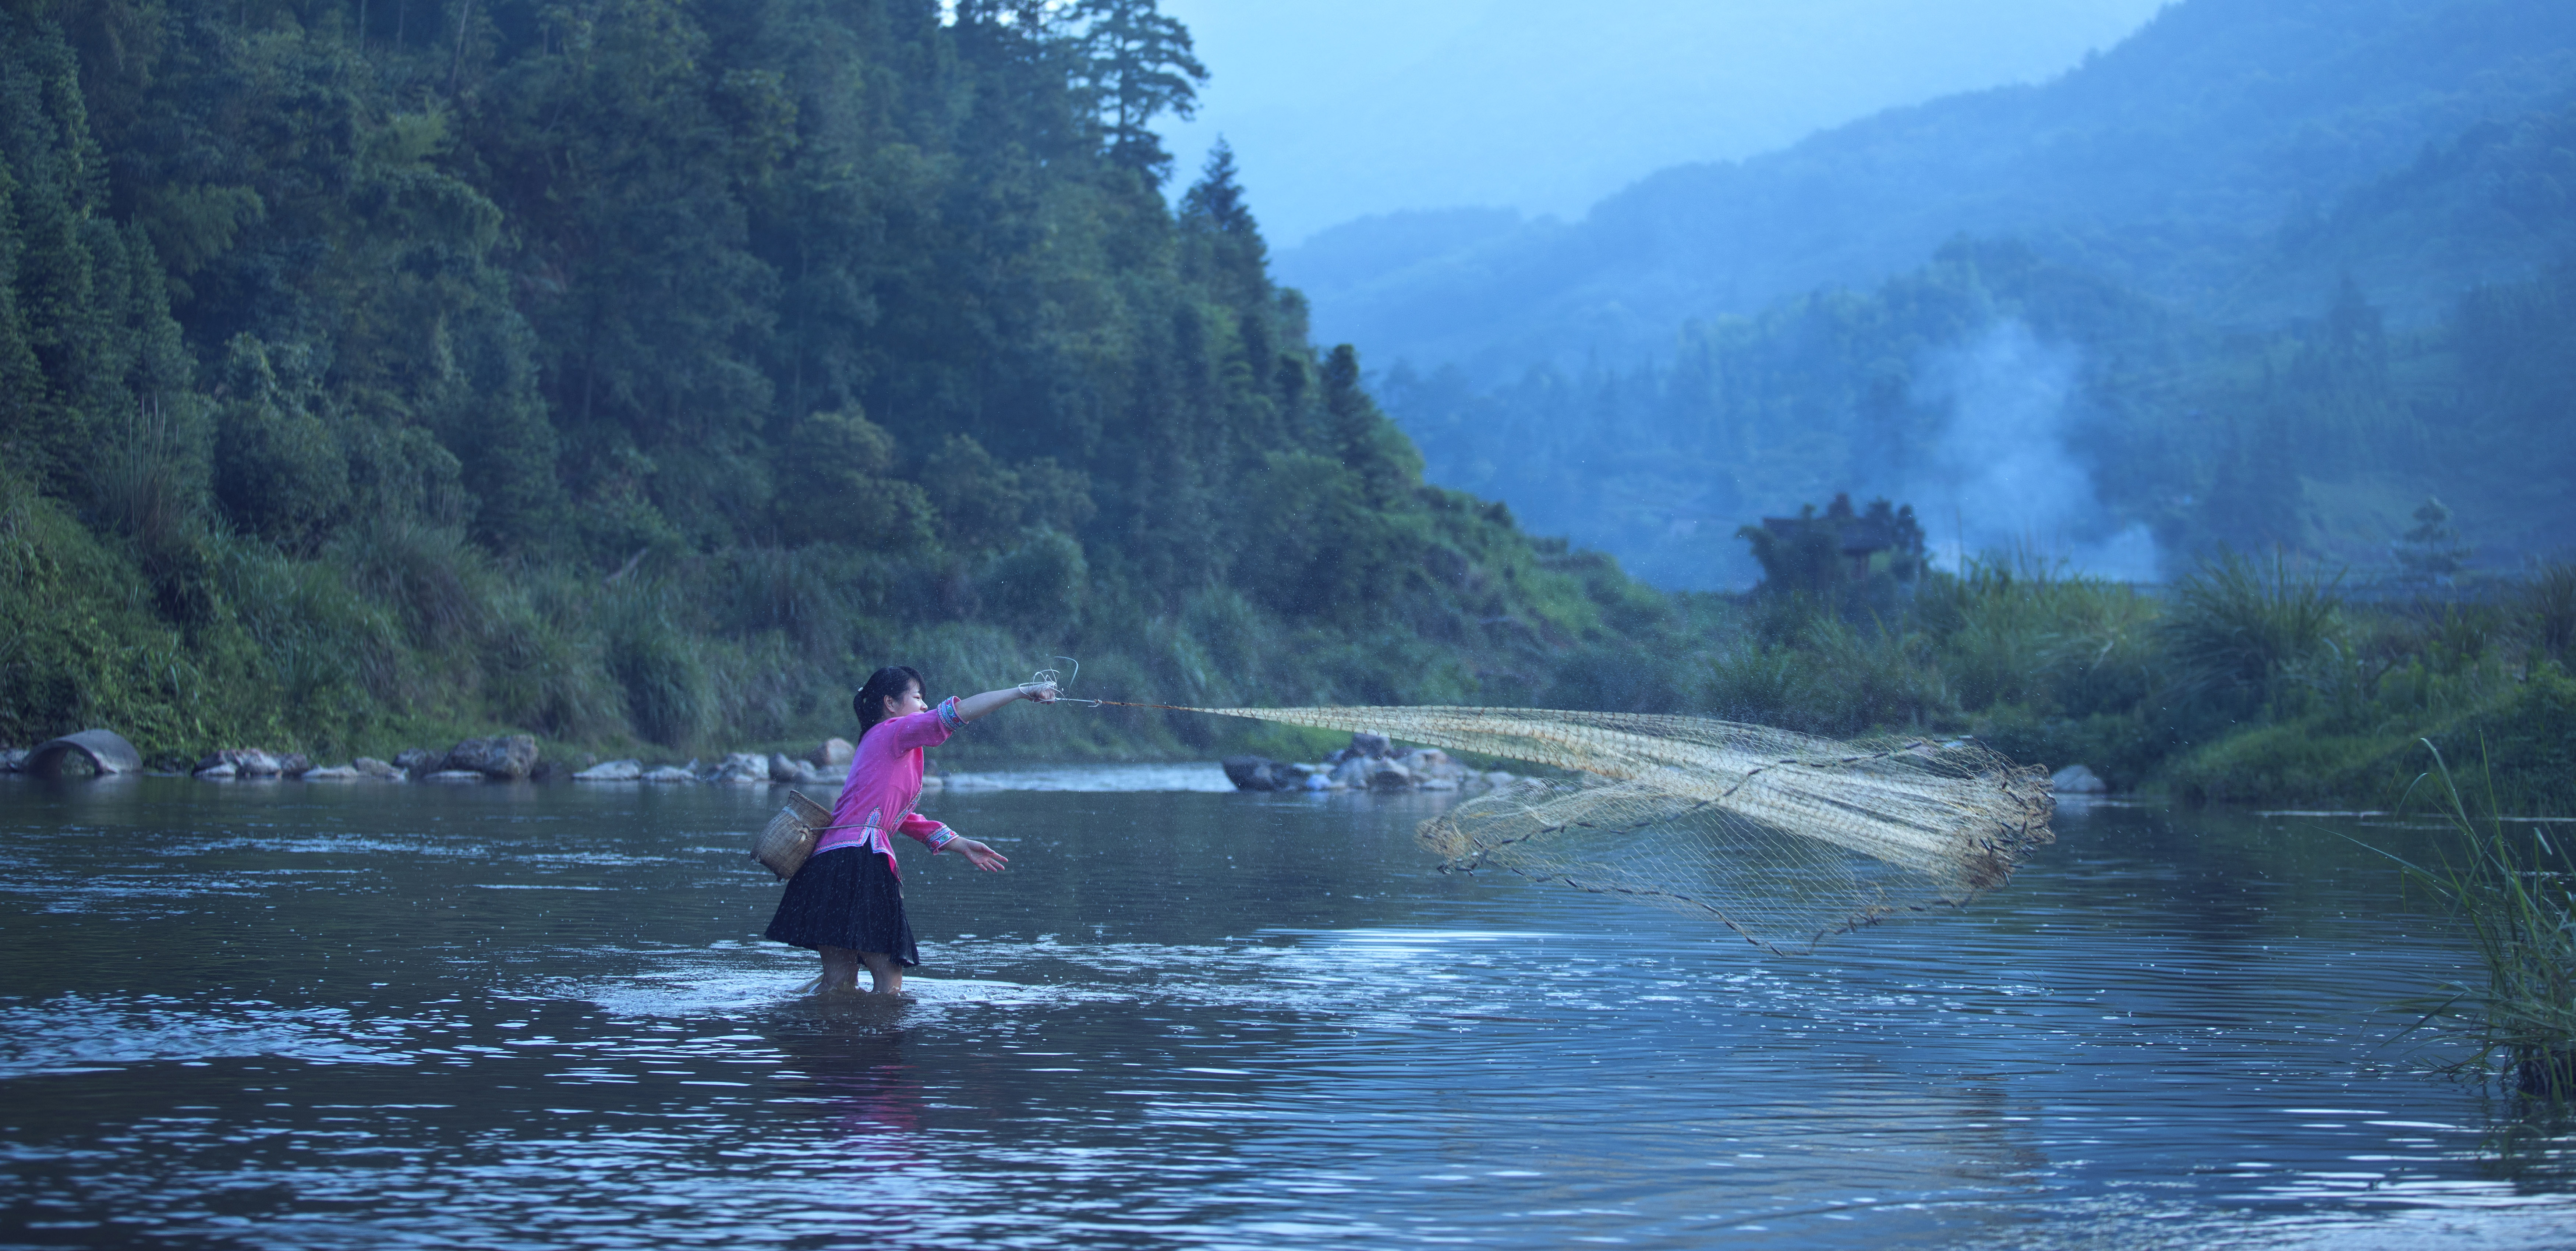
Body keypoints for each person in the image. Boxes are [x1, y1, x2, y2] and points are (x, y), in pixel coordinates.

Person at [765, 666, 1055, 995]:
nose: (924, 707)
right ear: (890, 704)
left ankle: (820, 1040)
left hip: (828, 863)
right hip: (860, 859)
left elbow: (901, 817)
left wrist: (958, 843)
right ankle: (879, 1042)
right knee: (889, 980)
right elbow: (956, 714)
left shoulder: (877, 743)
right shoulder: (894, 731)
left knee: (838, 983)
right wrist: (1021, 692)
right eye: (918, 698)